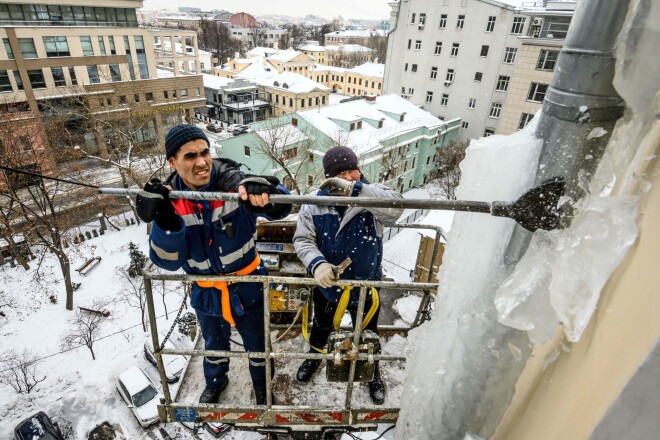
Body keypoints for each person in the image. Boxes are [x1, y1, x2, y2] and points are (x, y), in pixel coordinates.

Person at [136, 124, 290, 405]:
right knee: (214, 346)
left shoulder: (234, 185)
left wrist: (268, 191)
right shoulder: (171, 202)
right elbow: (168, 263)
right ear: (172, 162)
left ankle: (262, 390)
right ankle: (216, 383)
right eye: (190, 156)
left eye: (205, 152)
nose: (202, 162)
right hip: (207, 292)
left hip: (249, 284)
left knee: (258, 348)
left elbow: (283, 205)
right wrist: (165, 222)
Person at [293, 146, 403, 405]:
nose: (350, 176)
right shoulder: (315, 203)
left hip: (366, 286)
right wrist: (317, 265)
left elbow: (397, 209)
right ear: (329, 177)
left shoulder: (372, 195)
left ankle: (372, 373)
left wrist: (357, 191)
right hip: (328, 284)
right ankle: (315, 358)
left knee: (368, 333)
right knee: (321, 326)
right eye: (342, 173)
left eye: (353, 169)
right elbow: (303, 240)